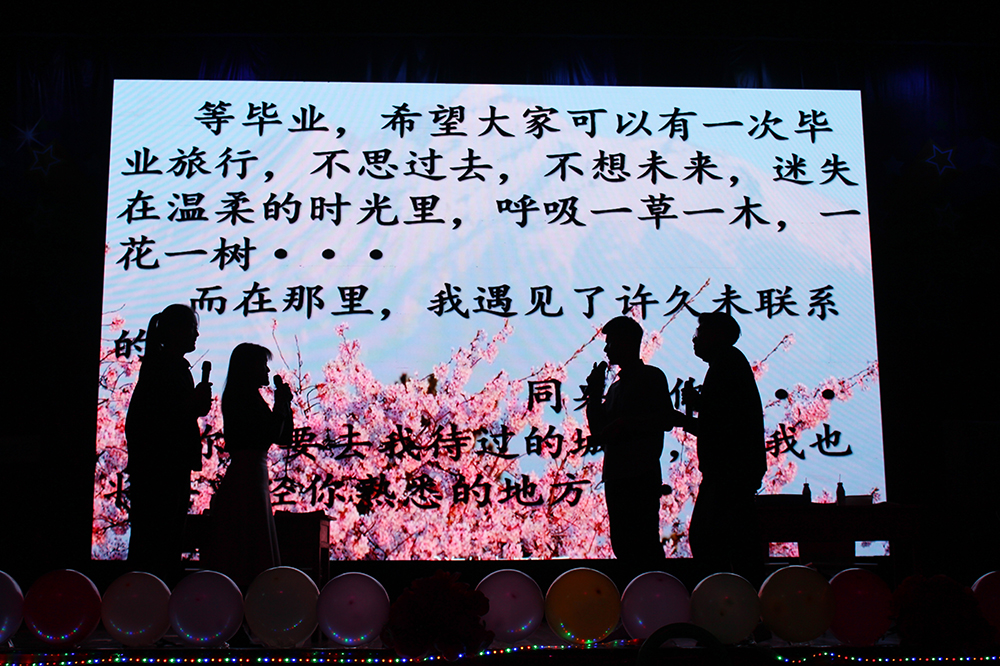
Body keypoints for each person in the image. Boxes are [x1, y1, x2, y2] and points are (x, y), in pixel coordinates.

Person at [125, 304, 212, 582]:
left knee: (166, 536)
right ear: (175, 331)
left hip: (168, 466)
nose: (196, 335)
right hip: (161, 468)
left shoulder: (167, 366)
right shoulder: (163, 368)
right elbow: (161, 415)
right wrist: (192, 403)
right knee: (158, 539)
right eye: (192, 328)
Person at [676, 312, 766, 581]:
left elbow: (720, 424)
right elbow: (724, 415)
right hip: (733, 472)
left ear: (717, 335)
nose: (695, 339)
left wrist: (682, 419)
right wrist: (698, 406)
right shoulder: (729, 363)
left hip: (729, 473)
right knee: (730, 541)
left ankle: (727, 594)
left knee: (710, 539)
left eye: (700, 333)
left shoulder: (726, 364)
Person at [585, 316, 674, 565]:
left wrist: (626, 424)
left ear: (626, 343)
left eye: (611, 342)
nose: (606, 349)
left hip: (641, 475)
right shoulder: (614, 389)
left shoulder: (651, 377)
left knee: (644, 544)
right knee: (622, 544)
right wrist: (595, 394)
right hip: (616, 476)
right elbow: (599, 430)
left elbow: (665, 419)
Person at [204, 343, 292, 590]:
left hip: (254, 473)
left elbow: (283, 437)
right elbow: (267, 434)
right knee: (249, 541)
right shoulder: (240, 398)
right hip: (247, 476)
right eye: (262, 364)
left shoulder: (250, 397)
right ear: (249, 367)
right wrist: (279, 406)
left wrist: (284, 405)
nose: (267, 370)